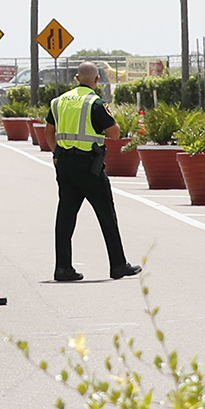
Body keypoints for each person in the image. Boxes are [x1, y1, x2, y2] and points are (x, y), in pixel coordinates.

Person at [51, 60, 142, 283]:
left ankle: (63, 268)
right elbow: (114, 134)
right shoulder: (95, 103)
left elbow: (48, 131)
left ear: (76, 79)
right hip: (89, 166)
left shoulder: (59, 101)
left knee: (65, 216)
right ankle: (118, 265)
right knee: (106, 215)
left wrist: (57, 154)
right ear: (96, 80)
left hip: (65, 164)